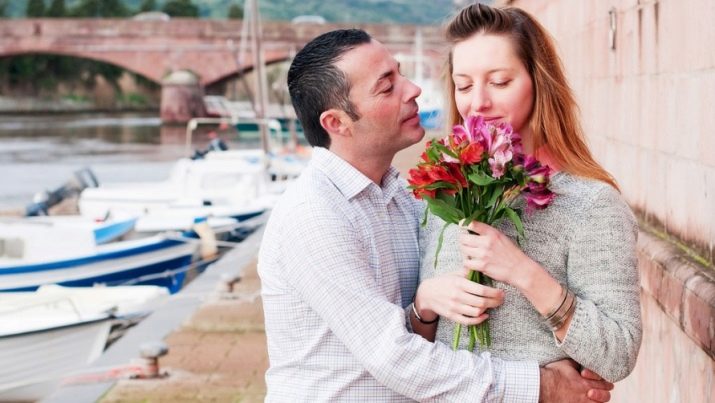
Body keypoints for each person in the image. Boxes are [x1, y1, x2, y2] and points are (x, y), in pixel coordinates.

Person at [258, 28, 614, 402]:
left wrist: (423, 307)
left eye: (400, 73)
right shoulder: (313, 216)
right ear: (337, 123)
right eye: (387, 87)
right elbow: (394, 356)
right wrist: (543, 385)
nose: (413, 89)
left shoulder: (405, 198)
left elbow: (417, 326)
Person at [415, 3, 642, 384]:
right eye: (464, 85)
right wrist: (425, 302)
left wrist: (524, 273)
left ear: (539, 81)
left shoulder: (591, 204)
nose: (478, 102)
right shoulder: (444, 196)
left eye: (500, 82)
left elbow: (619, 354)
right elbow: (413, 354)